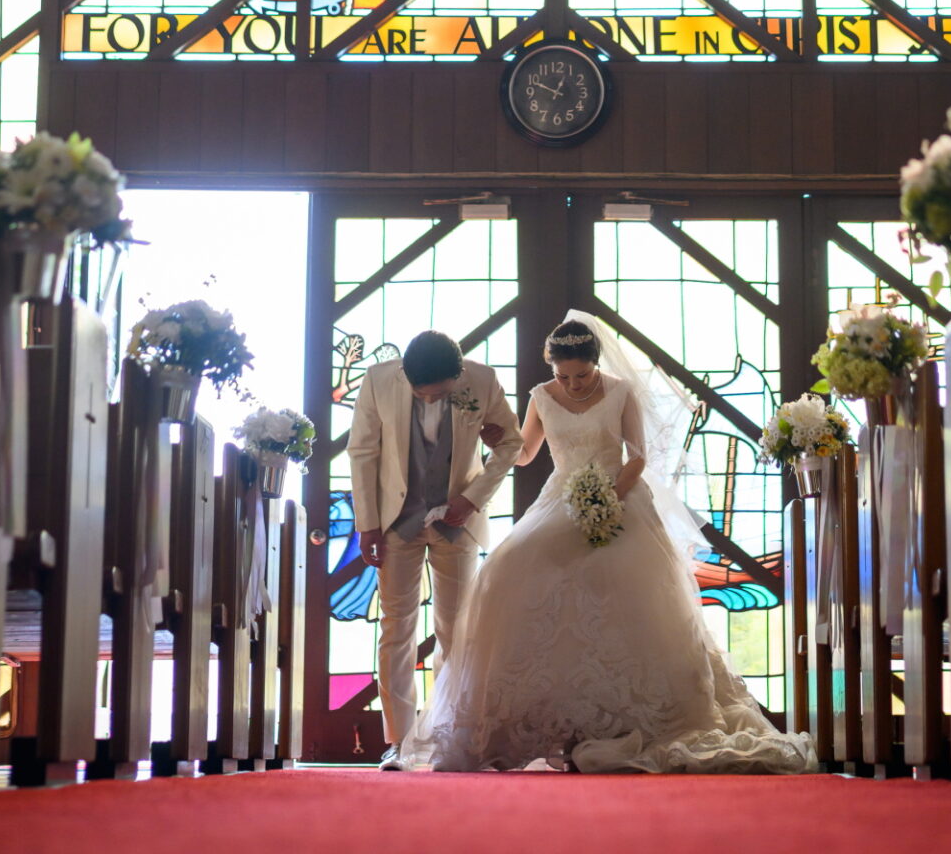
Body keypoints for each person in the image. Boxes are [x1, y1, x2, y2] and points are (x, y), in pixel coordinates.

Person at [402, 315, 817, 774]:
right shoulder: (542, 397)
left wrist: (607, 498)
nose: (573, 385)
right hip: (560, 499)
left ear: (595, 363)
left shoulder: (620, 392)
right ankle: (551, 723)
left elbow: (636, 457)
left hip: (619, 496)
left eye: (581, 375)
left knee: (629, 598)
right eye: (563, 376)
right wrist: (494, 436)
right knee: (510, 573)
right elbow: (526, 454)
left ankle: (624, 719)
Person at [346, 329, 523, 770]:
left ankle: (449, 736)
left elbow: (511, 442)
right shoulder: (378, 380)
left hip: (456, 520)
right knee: (396, 627)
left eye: (438, 394)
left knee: (456, 630)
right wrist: (367, 525)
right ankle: (400, 741)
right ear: (405, 375)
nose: (428, 400)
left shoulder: (482, 381)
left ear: (457, 377)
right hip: (396, 519)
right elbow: (362, 452)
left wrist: (473, 498)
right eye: (420, 394)